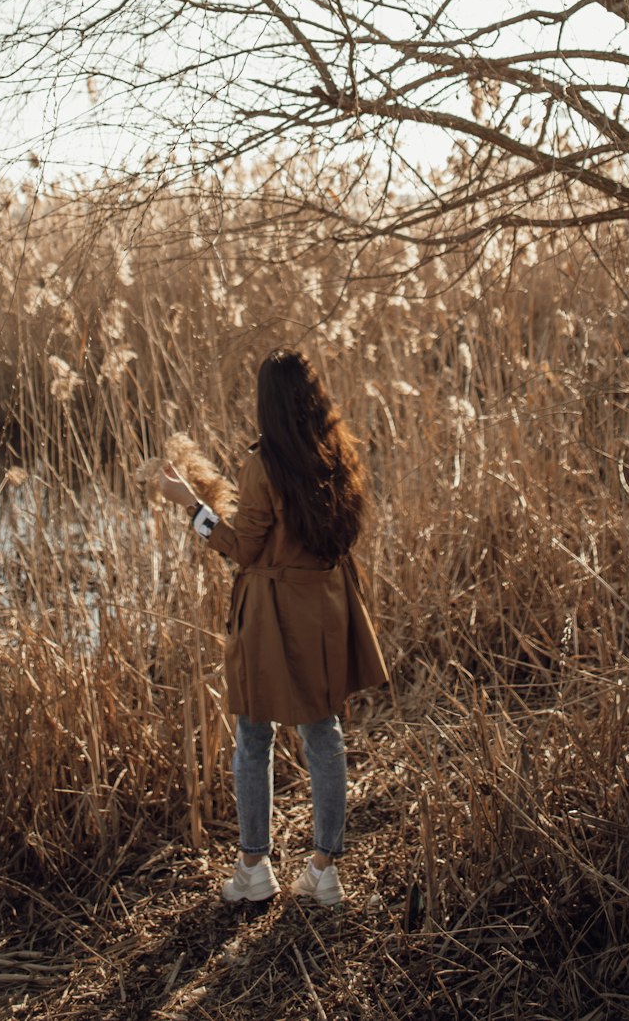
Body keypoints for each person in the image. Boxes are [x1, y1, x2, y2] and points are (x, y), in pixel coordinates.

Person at [148, 348, 388, 906]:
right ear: (314, 397)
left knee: (254, 736)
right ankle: (325, 868)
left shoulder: (265, 464)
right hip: (326, 605)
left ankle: (254, 867)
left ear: (267, 404)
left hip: (274, 613)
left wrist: (192, 503)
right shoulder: (337, 453)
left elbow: (242, 547)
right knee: (323, 733)